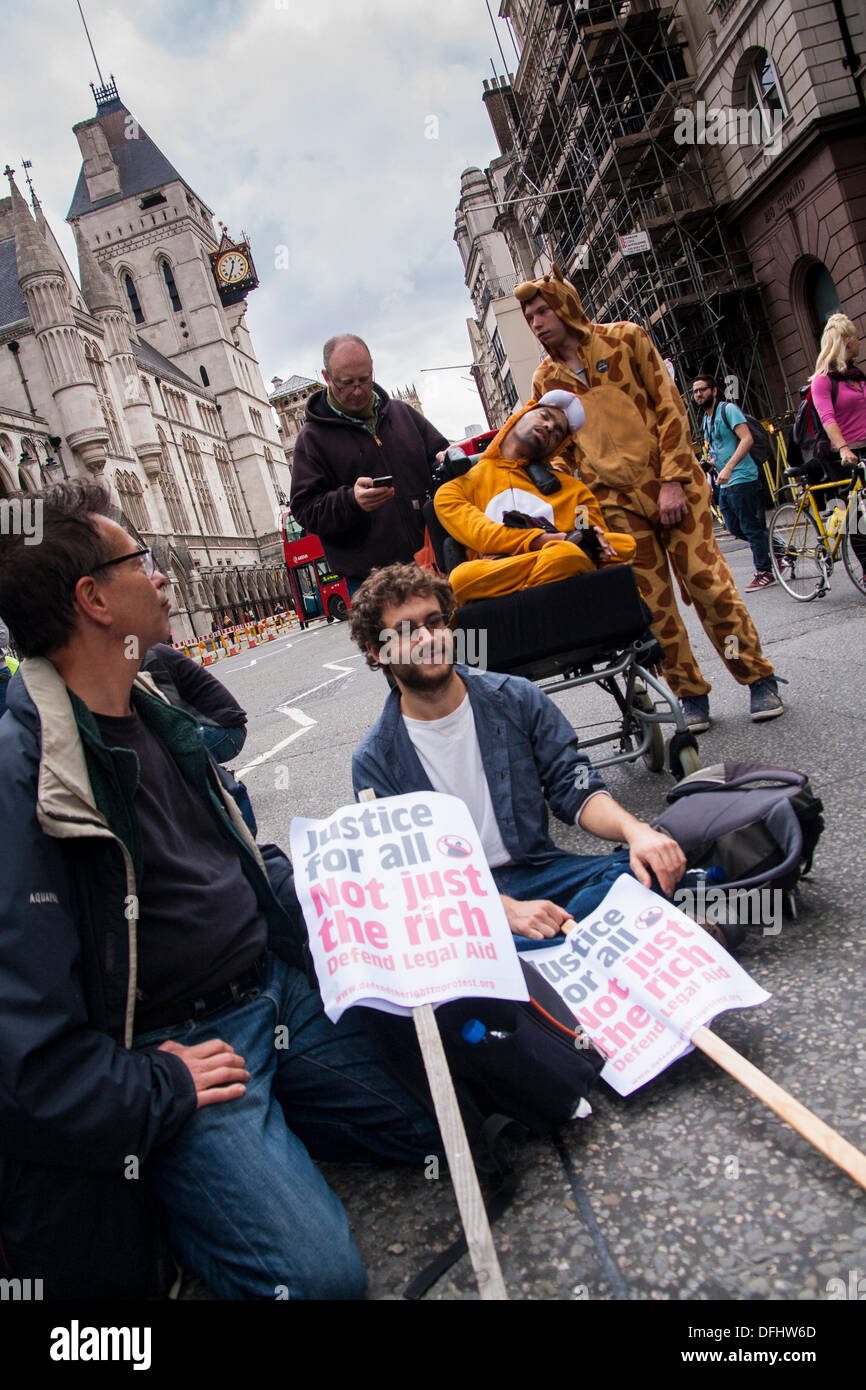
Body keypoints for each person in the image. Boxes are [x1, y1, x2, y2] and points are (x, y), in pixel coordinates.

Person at [0, 481, 440, 1300]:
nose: (162, 577)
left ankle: (263, 1142)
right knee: (317, 1283)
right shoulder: (25, 773)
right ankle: (188, 1174)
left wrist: (342, 905)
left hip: (272, 992)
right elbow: (22, 1048)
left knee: (448, 1118)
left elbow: (238, 858)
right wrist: (153, 1087)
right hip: (179, 1049)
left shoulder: (155, 704)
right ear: (93, 600)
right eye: (143, 561)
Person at [348, 563, 686, 949]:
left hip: (541, 873)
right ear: (378, 650)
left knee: (658, 868)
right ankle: (593, 937)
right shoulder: (375, 761)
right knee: (414, 950)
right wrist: (500, 910)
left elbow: (572, 784)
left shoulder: (516, 698)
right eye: (407, 631)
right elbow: (405, 879)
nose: (428, 638)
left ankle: (552, 948)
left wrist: (636, 831)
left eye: (435, 622)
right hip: (457, 906)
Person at [514, 266, 785, 729]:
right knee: (655, 607)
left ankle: (757, 678)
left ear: (565, 306)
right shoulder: (545, 379)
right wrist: (566, 501)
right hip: (615, 503)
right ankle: (689, 692)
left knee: (709, 586)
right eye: (529, 316)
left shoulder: (626, 339)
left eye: (542, 310)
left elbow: (670, 405)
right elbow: (557, 450)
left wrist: (675, 478)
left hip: (670, 482)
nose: (537, 322)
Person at [433, 391, 636, 604]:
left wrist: (634, 604)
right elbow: (485, 536)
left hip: (549, 570)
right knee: (461, 579)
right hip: (501, 578)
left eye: (558, 433)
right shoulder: (453, 491)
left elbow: (598, 545)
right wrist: (557, 539)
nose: (550, 427)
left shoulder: (575, 492)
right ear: (521, 414)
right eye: (545, 416)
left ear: (555, 448)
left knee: (596, 550)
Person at [290, 334, 449, 591]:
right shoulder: (311, 439)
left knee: (453, 633)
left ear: (372, 368)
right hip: (371, 582)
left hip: (432, 560)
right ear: (327, 377)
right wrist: (351, 501)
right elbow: (304, 508)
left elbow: (439, 457)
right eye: (346, 383)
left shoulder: (402, 413)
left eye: (364, 379)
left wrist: (445, 460)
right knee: (396, 635)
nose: (358, 390)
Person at [140, 640, 256, 832]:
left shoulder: (150, 657)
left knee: (170, 754)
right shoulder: (145, 653)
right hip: (222, 727)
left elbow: (171, 717)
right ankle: (216, 777)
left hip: (225, 731)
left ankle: (223, 786)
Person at [692, 375, 777, 591]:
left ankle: (764, 571)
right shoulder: (706, 420)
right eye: (695, 392)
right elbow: (717, 448)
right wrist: (709, 464)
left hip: (742, 476)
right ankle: (781, 549)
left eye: (702, 390)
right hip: (725, 480)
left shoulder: (727, 410)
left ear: (714, 391)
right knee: (734, 526)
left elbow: (746, 439)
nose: (699, 395)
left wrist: (729, 467)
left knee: (750, 526)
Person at [809, 312, 866, 578]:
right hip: (843, 454)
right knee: (857, 518)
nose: (859, 341)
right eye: (855, 337)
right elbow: (827, 417)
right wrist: (844, 448)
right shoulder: (823, 380)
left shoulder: (857, 375)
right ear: (845, 340)